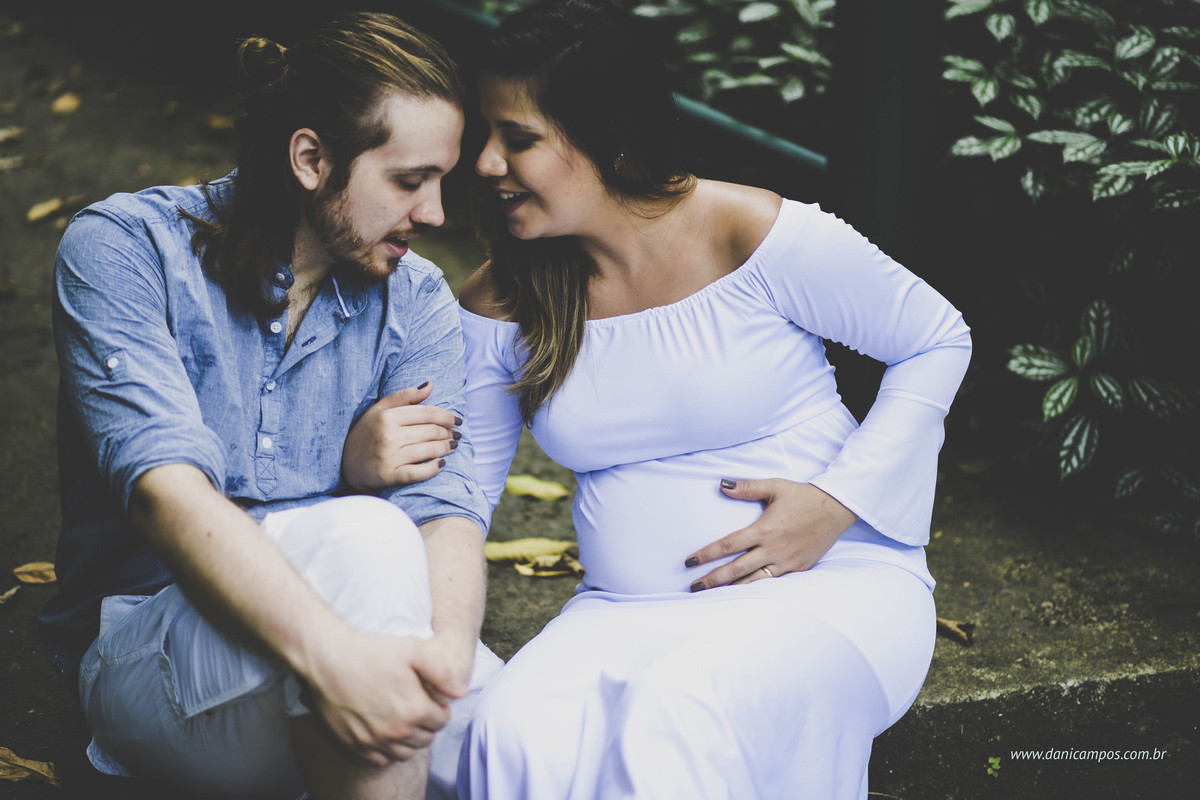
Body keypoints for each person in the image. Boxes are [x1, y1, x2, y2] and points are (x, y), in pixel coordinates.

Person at [349, 1, 970, 797]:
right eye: (486, 136)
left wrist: (839, 501)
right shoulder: (505, 298)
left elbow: (936, 337)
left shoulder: (747, 232)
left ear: (606, 134)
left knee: (679, 712)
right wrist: (369, 464)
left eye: (520, 138)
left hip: (828, 590)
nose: (486, 164)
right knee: (514, 734)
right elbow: (460, 491)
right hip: (621, 614)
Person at [39, 12, 504, 800]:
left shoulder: (417, 295)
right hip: (152, 649)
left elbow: (444, 508)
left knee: (544, 733)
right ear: (312, 158)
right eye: (408, 180)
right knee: (366, 532)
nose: (435, 216)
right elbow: (166, 491)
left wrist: (444, 667)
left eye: (441, 182)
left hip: (360, 624)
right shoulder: (126, 250)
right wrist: (339, 656)